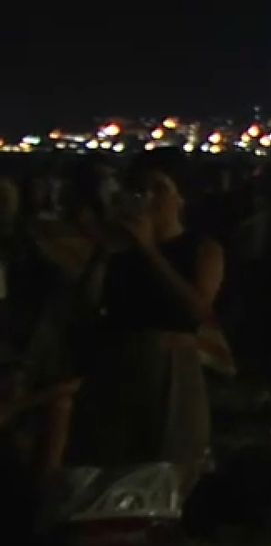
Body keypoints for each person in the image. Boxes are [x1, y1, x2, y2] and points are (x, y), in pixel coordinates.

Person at [68, 164, 224, 494]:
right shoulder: (120, 251)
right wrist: (102, 254)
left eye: (160, 189)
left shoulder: (200, 248)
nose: (149, 198)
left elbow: (197, 310)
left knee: (169, 456)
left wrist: (149, 250)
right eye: (142, 190)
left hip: (170, 363)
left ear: (180, 198)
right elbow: (85, 306)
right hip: (118, 359)